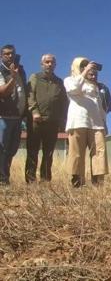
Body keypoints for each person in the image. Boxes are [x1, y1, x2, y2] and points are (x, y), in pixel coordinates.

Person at [64, 57, 108, 187]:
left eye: (87, 65)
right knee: (77, 153)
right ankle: (77, 181)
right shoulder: (70, 80)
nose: (86, 68)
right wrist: (84, 73)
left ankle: (98, 182)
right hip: (78, 122)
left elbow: (99, 105)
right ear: (76, 67)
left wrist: (104, 121)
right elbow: (73, 89)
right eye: (82, 66)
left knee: (99, 152)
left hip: (96, 124)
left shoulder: (94, 85)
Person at [25, 53, 68, 183]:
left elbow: (63, 102)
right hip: (36, 121)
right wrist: (34, 111)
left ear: (55, 65)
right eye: (47, 62)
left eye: (52, 62)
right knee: (32, 151)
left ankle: (45, 180)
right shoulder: (35, 77)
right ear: (42, 64)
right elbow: (30, 95)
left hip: (52, 122)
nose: (50, 64)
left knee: (48, 153)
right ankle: (30, 180)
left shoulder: (59, 82)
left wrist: (62, 119)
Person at [0, 45, 27, 185]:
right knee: (2, 148)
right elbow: (3, 92)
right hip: (3, 117)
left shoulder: (20, 70)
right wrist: (13, 77)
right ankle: (2, 180)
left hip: (18, 117)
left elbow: (24, 91)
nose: (10, 56)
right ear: (1, 56)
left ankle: (5, 178)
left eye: (12, 54)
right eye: (6, 54)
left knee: (12, 149)